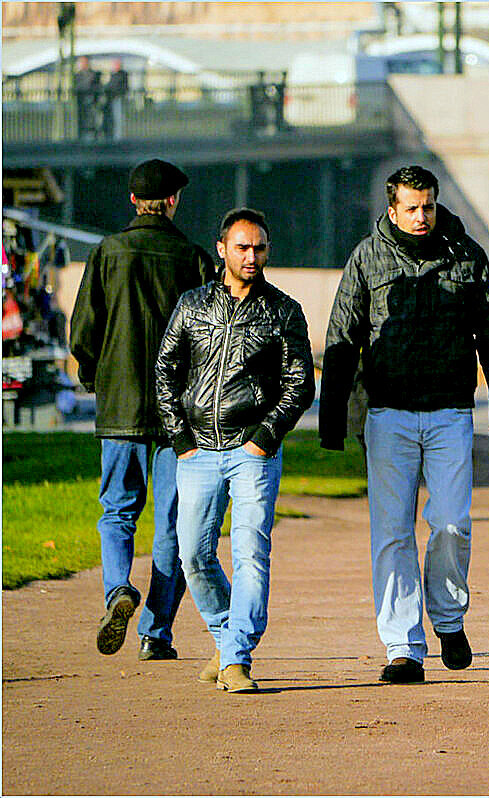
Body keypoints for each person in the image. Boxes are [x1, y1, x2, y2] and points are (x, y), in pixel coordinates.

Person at [319, 165, 489, 684]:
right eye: (411, 207)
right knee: (392, 532)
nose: (421, 215)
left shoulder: (466, 255)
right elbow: (343, 335)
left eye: (427, 205)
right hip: (387, 414)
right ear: (392, 209)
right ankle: (403, 646)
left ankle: (448, 619)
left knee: (452, 523)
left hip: (451, 411)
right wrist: (332, 419)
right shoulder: (367, 256)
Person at [155, 207, 314, 693]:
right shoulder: (192, 305)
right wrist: (180, 439)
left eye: (260, 247)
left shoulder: (283, 310)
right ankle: (226, 639)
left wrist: (265, 437)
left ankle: (237, 657)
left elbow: (299, 383)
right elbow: (165, 371)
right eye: (242, 246)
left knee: (250, 552)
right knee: (193, 555)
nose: (251, 255)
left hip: (253, 452)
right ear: (221, 248)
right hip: (197, 450)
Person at [70, 159, 213, 659]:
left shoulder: (108, 252)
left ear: (133, 200)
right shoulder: (193, 257)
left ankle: (117, 590)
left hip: (121, 403)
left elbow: (84, 330)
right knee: (174, 523)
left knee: (117, 511)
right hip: (181, 413)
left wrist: (94, 376)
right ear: (173, 200)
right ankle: (156, 633)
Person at [74, 56, 101, 141]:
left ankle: (93, 137)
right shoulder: (77, 75)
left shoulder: (94, 74)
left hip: (92, 101)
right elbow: (77, 87)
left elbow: (97, 87)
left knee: (92, 119)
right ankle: (81, 137)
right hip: (81, 101)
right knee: (82, 120)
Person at [103, 59, 129, 140]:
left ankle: (118, 136)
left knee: (118, 118)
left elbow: (122, 86)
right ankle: (113, 135)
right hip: (112, 98)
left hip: (118, 98)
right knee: (113, 118)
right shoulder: (113, 75)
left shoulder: (122, 75)